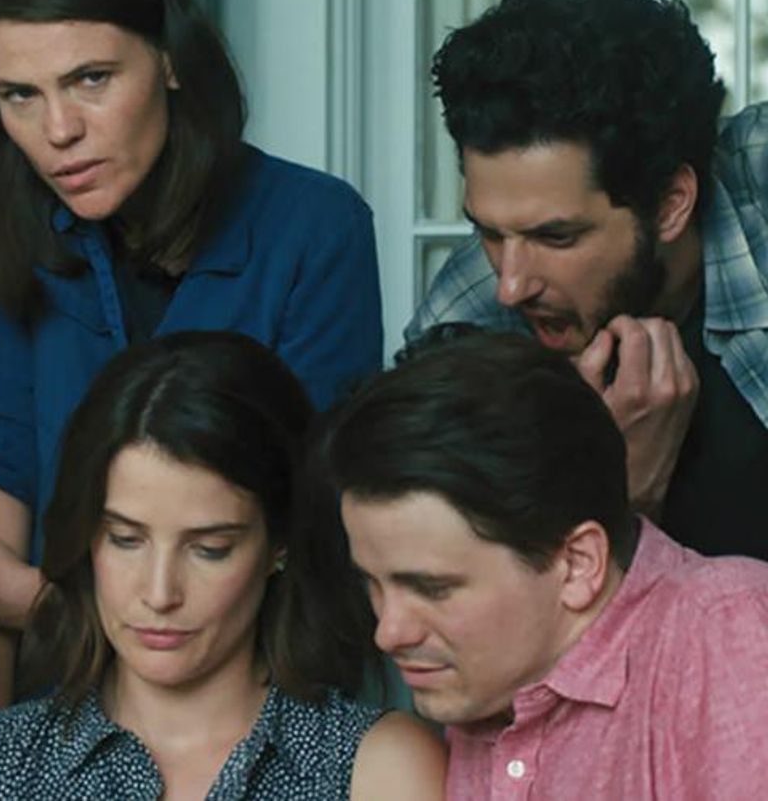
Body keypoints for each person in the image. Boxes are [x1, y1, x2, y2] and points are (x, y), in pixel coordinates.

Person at [0, 0, 384, 715]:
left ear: (168, 60)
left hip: (270, 699)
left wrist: (31, 601)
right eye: (20, 95)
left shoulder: (315, 226)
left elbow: (303, 542)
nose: (59, 130)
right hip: (52, 701)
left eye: (92, 78)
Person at [0, 332, 444, 800]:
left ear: (279, 543)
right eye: (125, 540)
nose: (160, 593)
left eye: (210, 549)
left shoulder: (379, 771)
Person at [317, 330, 768, 800]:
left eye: (433, 589)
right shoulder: (492, 680)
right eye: (372, 584)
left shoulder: (725, 634)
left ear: (577, 564)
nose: (389, 633)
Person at [406, 0, 768, 559]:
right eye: (489, 233)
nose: (510, 285)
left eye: (556, 237)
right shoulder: (468, 327)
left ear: (671, 204)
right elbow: (454, 593)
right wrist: (621, 494)